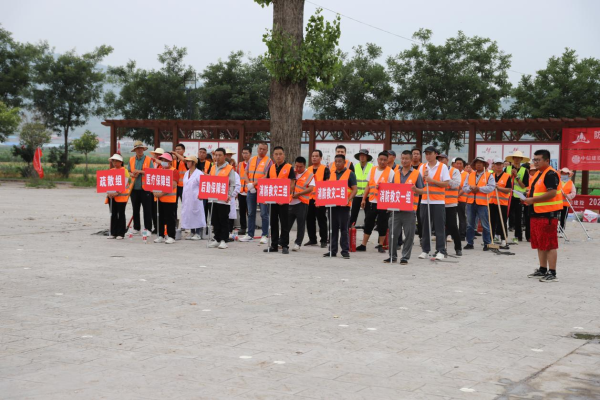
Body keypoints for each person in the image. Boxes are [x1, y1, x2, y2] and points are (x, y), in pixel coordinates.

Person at [523, 149, 563, 282]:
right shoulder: (539, 174)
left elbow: (552, 193)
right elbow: (536, 192)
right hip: (537, 213)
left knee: (550, 244)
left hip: (548, 215)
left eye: (538, 160)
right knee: (540, 243)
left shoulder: (550, 174)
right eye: (534, 160)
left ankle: (552, 272)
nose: (535, 162)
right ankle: (542, 269)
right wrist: (527, 197)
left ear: (547, 160)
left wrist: (532, 200)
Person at [385, 150, 424, 264]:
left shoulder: (416, 174)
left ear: (411, 160)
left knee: (409, 235)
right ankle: (392, 256)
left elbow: (422, 191)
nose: (404, 161)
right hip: (396, 209)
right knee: (393, 234)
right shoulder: (396, 173)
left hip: (409, 209)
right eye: (402, 158)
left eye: (406, 158)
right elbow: (392, 189)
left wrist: (416, 190)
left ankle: (405, 257)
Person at [358, 152, 394, 253]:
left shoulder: (391, 172)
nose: (382, 162)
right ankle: (363, 244)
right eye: (380, 159)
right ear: (377, 160)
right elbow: (368, 185)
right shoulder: (372, 169)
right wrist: (363, 199)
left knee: (382, 223)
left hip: (384, 202)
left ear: (387, 161)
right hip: (372, 201)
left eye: (384, 160)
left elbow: (393, 188)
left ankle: (381, 245)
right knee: (368, 222)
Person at [418, 146, 450, 260]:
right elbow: (419, 183)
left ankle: (441, 250)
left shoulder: (442, 167)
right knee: (425, 227)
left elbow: (446, 184)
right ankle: (425, 250)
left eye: (430, 153)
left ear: (436, 154)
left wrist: (432, 180)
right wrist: (423, 178)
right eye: (426, 154)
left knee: (439, 227)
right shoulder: (422, 167)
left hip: (438, 201)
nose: (427, 156)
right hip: (425, 200)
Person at [262, 146, 295, 254]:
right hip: (273, 200)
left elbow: (292, 184)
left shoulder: (289, 167)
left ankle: (285, 245)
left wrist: (285, 196)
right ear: (273, 155)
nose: (278, 156)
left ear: (284, 155)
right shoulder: (271, 167)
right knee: (273, 223)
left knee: (284, 223)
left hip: (283, 201)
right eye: (276, 154)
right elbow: (267, 183)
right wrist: (265, 197)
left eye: (280, 154)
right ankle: (274, 245)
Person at [326, 154, 357, 259]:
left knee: (344, 229)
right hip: (332, 205)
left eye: (340, 161)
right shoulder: (331, 173)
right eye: (336, 161)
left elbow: (355, 189)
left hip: (344, 206)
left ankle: (345, 251)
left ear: (344, 162)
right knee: (332, 228)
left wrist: (349, 199)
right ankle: (332, 250)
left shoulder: (350, 173)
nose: (338, 163)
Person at [239, 143, 272, 244]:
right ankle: (250, 234)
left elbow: (267, 175)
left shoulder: (269, 161)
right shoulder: (252, 159)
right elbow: (245, 173)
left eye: (264, 149)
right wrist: (249, 184)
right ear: (257, 149)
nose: (261, 150)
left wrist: (254, 184)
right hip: (251, 189)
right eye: (260, 148)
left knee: (264, 213)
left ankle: (264, 235)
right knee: (251, 213)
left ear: (267, 151)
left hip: (262, 190)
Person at [462, 157, 496, 251]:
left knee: (485, 224)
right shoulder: (470, 175)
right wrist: (471, 188)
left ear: (484, 165)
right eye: (477, 163)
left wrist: (479, 189)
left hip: (483, 203)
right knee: (470, 224)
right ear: (474, 165)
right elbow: (464, 188)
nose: (478, 164)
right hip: (470, 203)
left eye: (481, 163)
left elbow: (491, 187)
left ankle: (487, 243)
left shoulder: (489, 175)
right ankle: (469, 243)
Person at [207, 148, 237, 249]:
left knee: (223, 220)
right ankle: (217, 239)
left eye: (220, 155)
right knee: (215, 220)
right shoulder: (212, 167)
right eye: (216, 155)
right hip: (213, 198)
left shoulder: (229, 168)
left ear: (224, 156)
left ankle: (224, 240)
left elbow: (232, 184)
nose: (217, 157)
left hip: (224, 200)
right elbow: (210, 181)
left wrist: (229, 195)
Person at [437, 153, 462, 256]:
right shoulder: (436, 171)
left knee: (452, 226)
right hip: (438, 202)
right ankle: (442, 249)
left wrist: (445, 180)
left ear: (447, 160)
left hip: (450, 204)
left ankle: (458, 248)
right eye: (439, 159)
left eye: (442, 159)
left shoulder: (454, 171)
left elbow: (456, 184)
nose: (440, 161)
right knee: (440, 227)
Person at [288, 156, 315, 251]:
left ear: (305, 165)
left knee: (301, 224)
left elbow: (311, 188)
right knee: (286, 224)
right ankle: (283, 241)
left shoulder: (309, 175)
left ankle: (297, 243)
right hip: (290, 202)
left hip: (301, 203)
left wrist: (299, 194)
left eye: (301, 167)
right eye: (297, 166)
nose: (298, 168)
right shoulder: (292, 172)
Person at [305, 150, 330, 248]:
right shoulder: (308, 169)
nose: (314, 158)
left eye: (316, 156)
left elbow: (327, 184)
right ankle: (312, 239)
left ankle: (324, 240)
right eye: (313, 156)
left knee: (321, 219)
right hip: (309, 198)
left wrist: (322, 198)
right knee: (309, 219)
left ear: (321, 158)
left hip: (320, 198)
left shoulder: (325, 169)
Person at [128, 141, 154, 235]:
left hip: (145, 189)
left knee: (147, 210)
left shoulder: (148, 159)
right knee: (135, 209)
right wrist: (132, 174)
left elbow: (152, 172)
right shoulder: (131, 160)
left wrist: (140, 171)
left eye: (141, 148)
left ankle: (148, 229)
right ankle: (136, 227)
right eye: (137, 149)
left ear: (143, 149)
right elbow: (128, 171)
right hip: (134, 188)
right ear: (135, 150)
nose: (139, 150)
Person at [504, 150, 530, 243]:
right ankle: (503, 235)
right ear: (512, 159)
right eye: (515, 158)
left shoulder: (524, 171)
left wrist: (517, 177)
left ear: (521, 159)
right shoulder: (507, 169)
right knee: (505, 216)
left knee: (518, 217)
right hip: (508, 196)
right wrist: (511, 175)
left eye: (519, 158)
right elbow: (504, 182)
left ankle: (518, 236)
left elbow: (524, 186)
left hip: (518, 197)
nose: (517, 159)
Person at [153, 153, 178, 244]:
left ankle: (171, 236)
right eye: (162, 160)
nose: (163, 162)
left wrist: (161, 193)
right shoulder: (159, 170)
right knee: (160, 217)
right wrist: (154, 192)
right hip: (159, 199)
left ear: (170, 162)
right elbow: (154, 182)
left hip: (169, 199)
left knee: (170, 218)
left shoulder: (174, 171)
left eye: (165, 160)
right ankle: (160, 235)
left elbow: (173, 185)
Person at [181, 155, 206, 240]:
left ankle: (198, 233)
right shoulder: (186, 173)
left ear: (194, 163)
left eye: (189, 161)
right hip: (187, 198)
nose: (187, 163)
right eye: (187, 161)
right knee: (189, 213)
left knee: (197, 214)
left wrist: (201, 195)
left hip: (196, 198)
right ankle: (192, 232)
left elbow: (203, 185)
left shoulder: (199, 173)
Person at [106, 154, 131, 240]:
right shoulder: (111, 170)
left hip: (121, 197)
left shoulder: (125, 171)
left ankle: (121, 233)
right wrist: (109, 192)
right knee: (113, 214)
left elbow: (124, 183)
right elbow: (108, 183)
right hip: (111, 197)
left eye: (116, 161)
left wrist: (117, 192)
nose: (115, 163)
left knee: (121, 214)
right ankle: (113, 232)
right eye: (113, 161)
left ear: (121, 162)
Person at [489, 158, 512, 248]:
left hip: (502, 202)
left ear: (503, 165)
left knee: (502, 221)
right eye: (497, 164)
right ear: (494, 165)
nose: (498, 166)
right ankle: (491, 239)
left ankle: (503, 240)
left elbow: (508, 190)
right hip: (491, 202)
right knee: (492, 221)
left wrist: (499, 188)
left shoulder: (507, 176)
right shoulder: (491, 175)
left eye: (500, 164)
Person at [350, 149, 373, 227]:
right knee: (354, 213)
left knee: (368, 214)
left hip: (368, 195)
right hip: (357, 194)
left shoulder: (372, 167)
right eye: (361, 156)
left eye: (364, 156)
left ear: (367, 157)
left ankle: (367, 228)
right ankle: (351, 228)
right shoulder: (355, 167)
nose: (362, 157)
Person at [237, 147, 252, 235]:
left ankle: (250, 228)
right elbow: (237, 177)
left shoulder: (252, 164)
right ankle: (243, 228)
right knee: (242, 211)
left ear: (250, 154)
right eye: (243, 153)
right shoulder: (240, 164)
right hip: (241, 191)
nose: (245, 155)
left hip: (250, 191)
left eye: (246, 153)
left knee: (250, 211)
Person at [411, 147, 425, 239]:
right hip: (409, 195)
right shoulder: (407, 166)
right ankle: (409, 238)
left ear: (420, 156)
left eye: (417, 154)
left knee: (420, 218)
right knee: (409, 218)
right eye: (414, 154)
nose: (415, 155)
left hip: (420, 195)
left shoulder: (423, 167)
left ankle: (421, 237)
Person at [558, 167, 576, 232]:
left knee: (563, 218)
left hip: (565, 204)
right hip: (557, 203)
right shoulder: (557, 182)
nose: (564, 174)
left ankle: (561, 231)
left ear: (568, 174)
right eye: (563, 173)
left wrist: (567, 195)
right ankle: (555, 230)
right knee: (555, 218)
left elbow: (573, 193)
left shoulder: (570, 183)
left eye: (566, 173)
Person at [455, 158, 469, 240]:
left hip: (462, 199)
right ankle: (453, 234)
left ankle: (462, 234)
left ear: (463, 165)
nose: (458, 165)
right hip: (452, 200)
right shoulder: (452, 173)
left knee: (462, 217)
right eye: (457, 163)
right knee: (452, 218)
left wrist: (457, 195)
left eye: (460, 163)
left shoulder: (466, 174)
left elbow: (464, 187)